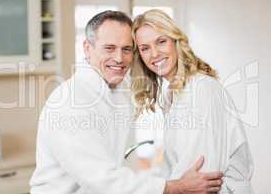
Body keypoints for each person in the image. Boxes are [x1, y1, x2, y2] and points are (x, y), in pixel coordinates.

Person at [30, 10, 223, 194]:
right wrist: (175, 187)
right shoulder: (71, 102)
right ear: (87, 49)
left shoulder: (120, 91)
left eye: (127, 49)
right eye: (109, 48)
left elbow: (124, 164)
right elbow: (101, 178)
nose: (119, 58)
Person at [131, 9, 254, 193]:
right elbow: (176, 170)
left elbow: (201, 175)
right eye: (145, 48)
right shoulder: (171, 95)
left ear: (175, 41)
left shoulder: (201, 89)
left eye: (161, 41)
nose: (154, 54)